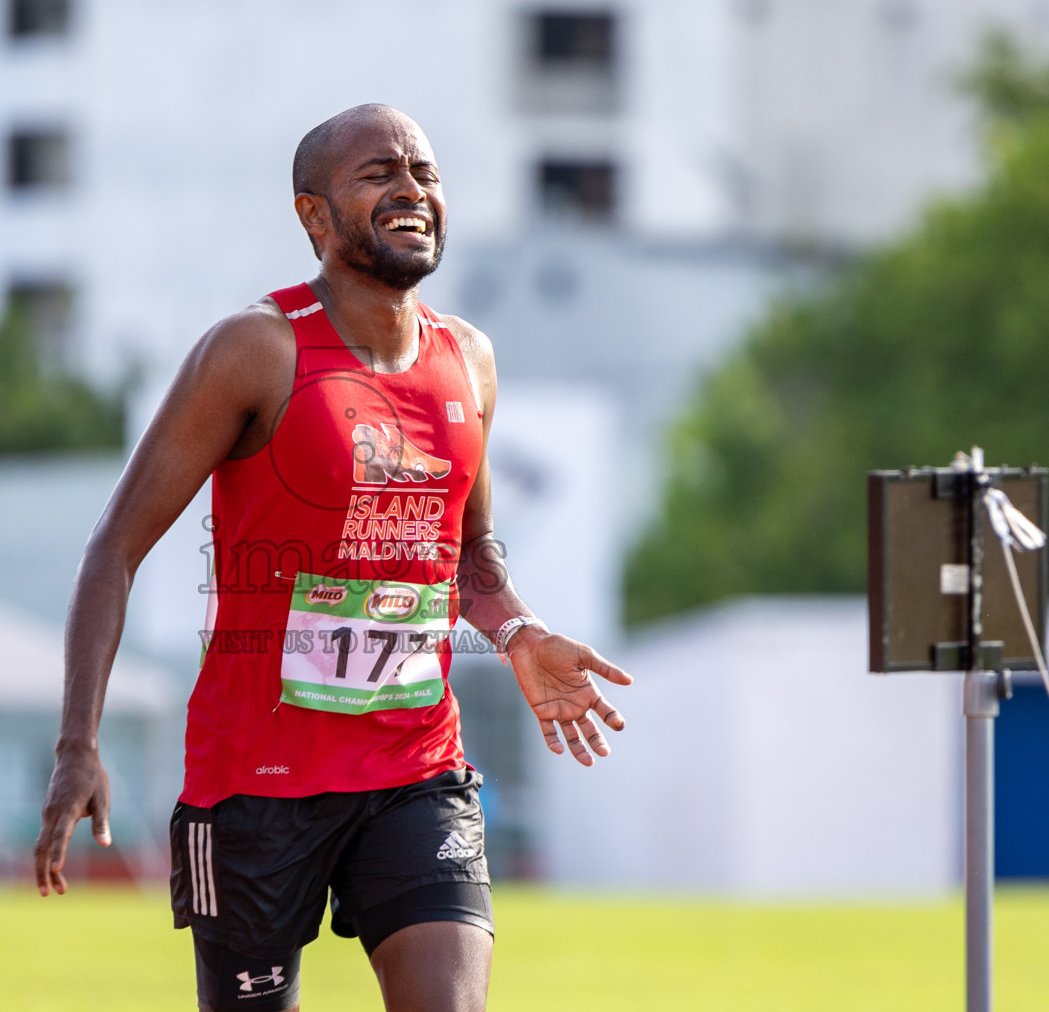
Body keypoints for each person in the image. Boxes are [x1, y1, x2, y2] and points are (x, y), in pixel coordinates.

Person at [34, 103, 632, 1012]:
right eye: (379, 173)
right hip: (256, 789)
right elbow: (113, 548)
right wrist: (77, 742)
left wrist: (520, 632)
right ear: (314, 216)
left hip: (414, 769)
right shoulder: (255, 352)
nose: (411, 190)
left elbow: (469, 556)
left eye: (425, 172)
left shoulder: (468, 360)